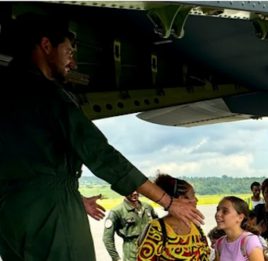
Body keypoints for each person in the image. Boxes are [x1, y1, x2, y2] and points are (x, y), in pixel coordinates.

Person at [0, 14, 203, 261]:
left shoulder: (7, 91)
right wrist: (168, 201)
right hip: (51, 211)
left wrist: (69, 198)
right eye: (69, 53)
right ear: (45, 46)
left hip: (10, 213)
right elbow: (100, 154)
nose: (72, 64)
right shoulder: (50, 96)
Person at [136, 174, 210, 261]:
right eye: (193, 196)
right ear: (182, 199)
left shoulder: (195, 227)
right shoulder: (157, 229)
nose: (196, 200)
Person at [103, 191, 159, 261]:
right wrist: (116, 258)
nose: (135, 193)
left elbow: (158, 226)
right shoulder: (117, 211)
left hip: (152, 253)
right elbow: (107, 238)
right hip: (132, 255)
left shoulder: (147, 207)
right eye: (131, 190)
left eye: (137, 190)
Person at [213, 196, 264, 261]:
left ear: (240, 218)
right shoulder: (219, 244)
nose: (218, 214)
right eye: (218, 210)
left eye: (225, 211)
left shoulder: (250, 241)